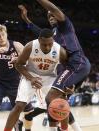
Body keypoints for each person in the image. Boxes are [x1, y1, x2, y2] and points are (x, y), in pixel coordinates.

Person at [17, 3, 88, 131]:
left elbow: (53, 9)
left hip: (77, 63)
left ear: (59, 14)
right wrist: (26, 19)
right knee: (59, 102)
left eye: (52, 14)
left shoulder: (65, 25)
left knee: (50, 99)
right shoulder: (51, 36)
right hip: (69, 68)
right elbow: (37, 30)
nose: (50, 15)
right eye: (48, 15)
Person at [4, 28, 68, 131]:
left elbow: (68, 69)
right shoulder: (30, 46)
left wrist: (67, 83)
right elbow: (18, 64)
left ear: (53, 41)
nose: (47, 47)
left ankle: (65, 130)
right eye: (44, 44)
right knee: (19, 105)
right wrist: (31, 78)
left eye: (50, 44)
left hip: (50, 78)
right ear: (39, 40)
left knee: (62, 104)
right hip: (30, 75)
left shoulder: (60, 51)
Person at [0, 24, 24, 130]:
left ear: (6, 34)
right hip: (0, 83)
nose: (1, 38)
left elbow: (28, 59)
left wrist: (19, 59)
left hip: (16, 84)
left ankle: (17, 123)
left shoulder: (16, 45)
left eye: (3, 35)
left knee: (21, 110)